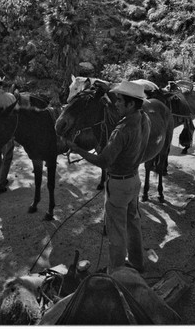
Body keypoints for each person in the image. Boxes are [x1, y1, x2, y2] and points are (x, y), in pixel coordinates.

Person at [65, 80, 150, 274]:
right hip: (134, 179)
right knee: (133, 222)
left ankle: (116, 272)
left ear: (130, 104)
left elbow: (104, 161)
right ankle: (138, 263)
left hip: (119, 184)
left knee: (116, 231)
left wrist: (78, 149)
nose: (116, 104)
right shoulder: (143, 118)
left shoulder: (121, 130)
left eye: (120, 101)